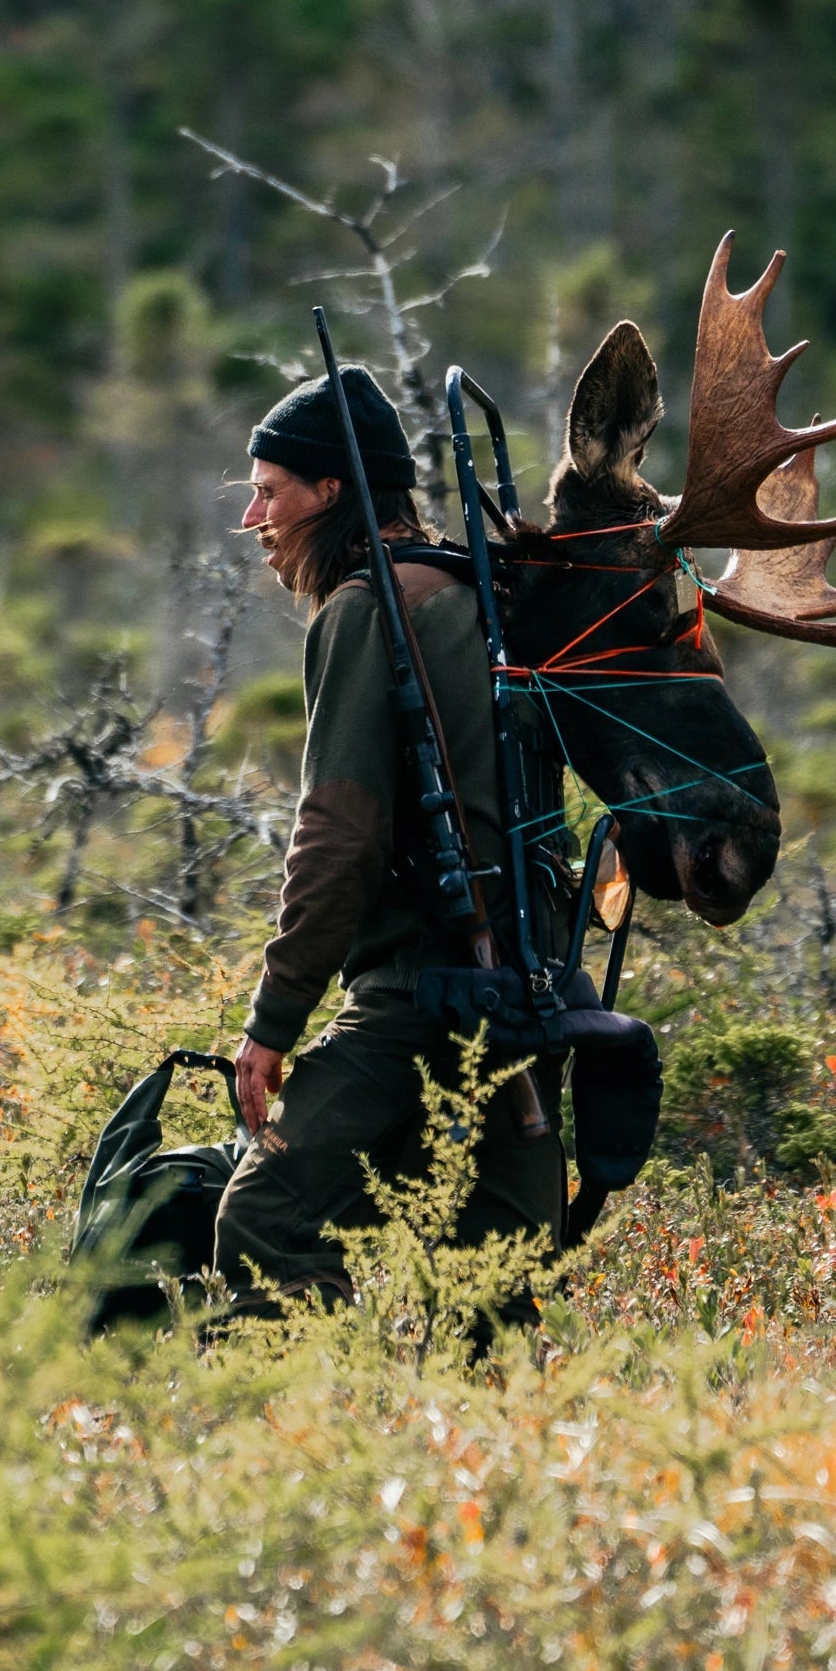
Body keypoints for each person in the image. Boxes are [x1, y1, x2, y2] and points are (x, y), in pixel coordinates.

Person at [210, 366, 563, 1315]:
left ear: (331, 492)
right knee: (492, 1293)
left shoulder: (367, 610)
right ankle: (494, 1460)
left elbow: (339, 836)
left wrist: (272, 1023)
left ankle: (302, 1447)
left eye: (270, 492)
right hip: (530, 993)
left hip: (420, 1000)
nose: (255, 519)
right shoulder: (474, 590)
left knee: (265, 1216)